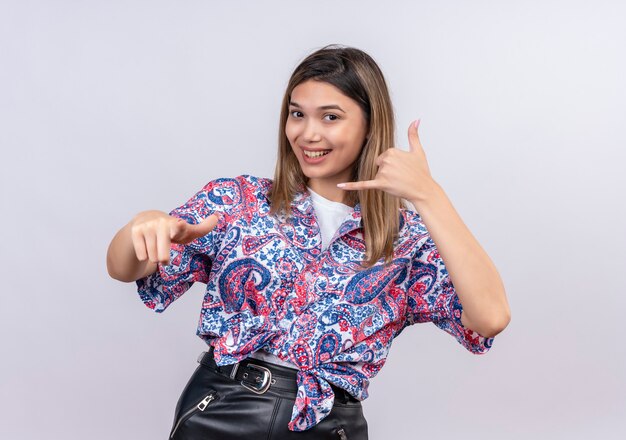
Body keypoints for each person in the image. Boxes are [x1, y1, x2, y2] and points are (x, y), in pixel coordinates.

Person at [107, 45, 510, 439]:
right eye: (297, 114)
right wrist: (141, 227)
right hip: (222, 408)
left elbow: (490, 317)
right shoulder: (238, 200)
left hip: (327, 425)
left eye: (330, 117)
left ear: (370, 125)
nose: (308, 133)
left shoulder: (407, 241)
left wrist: (430, 195)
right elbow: (125, 269)